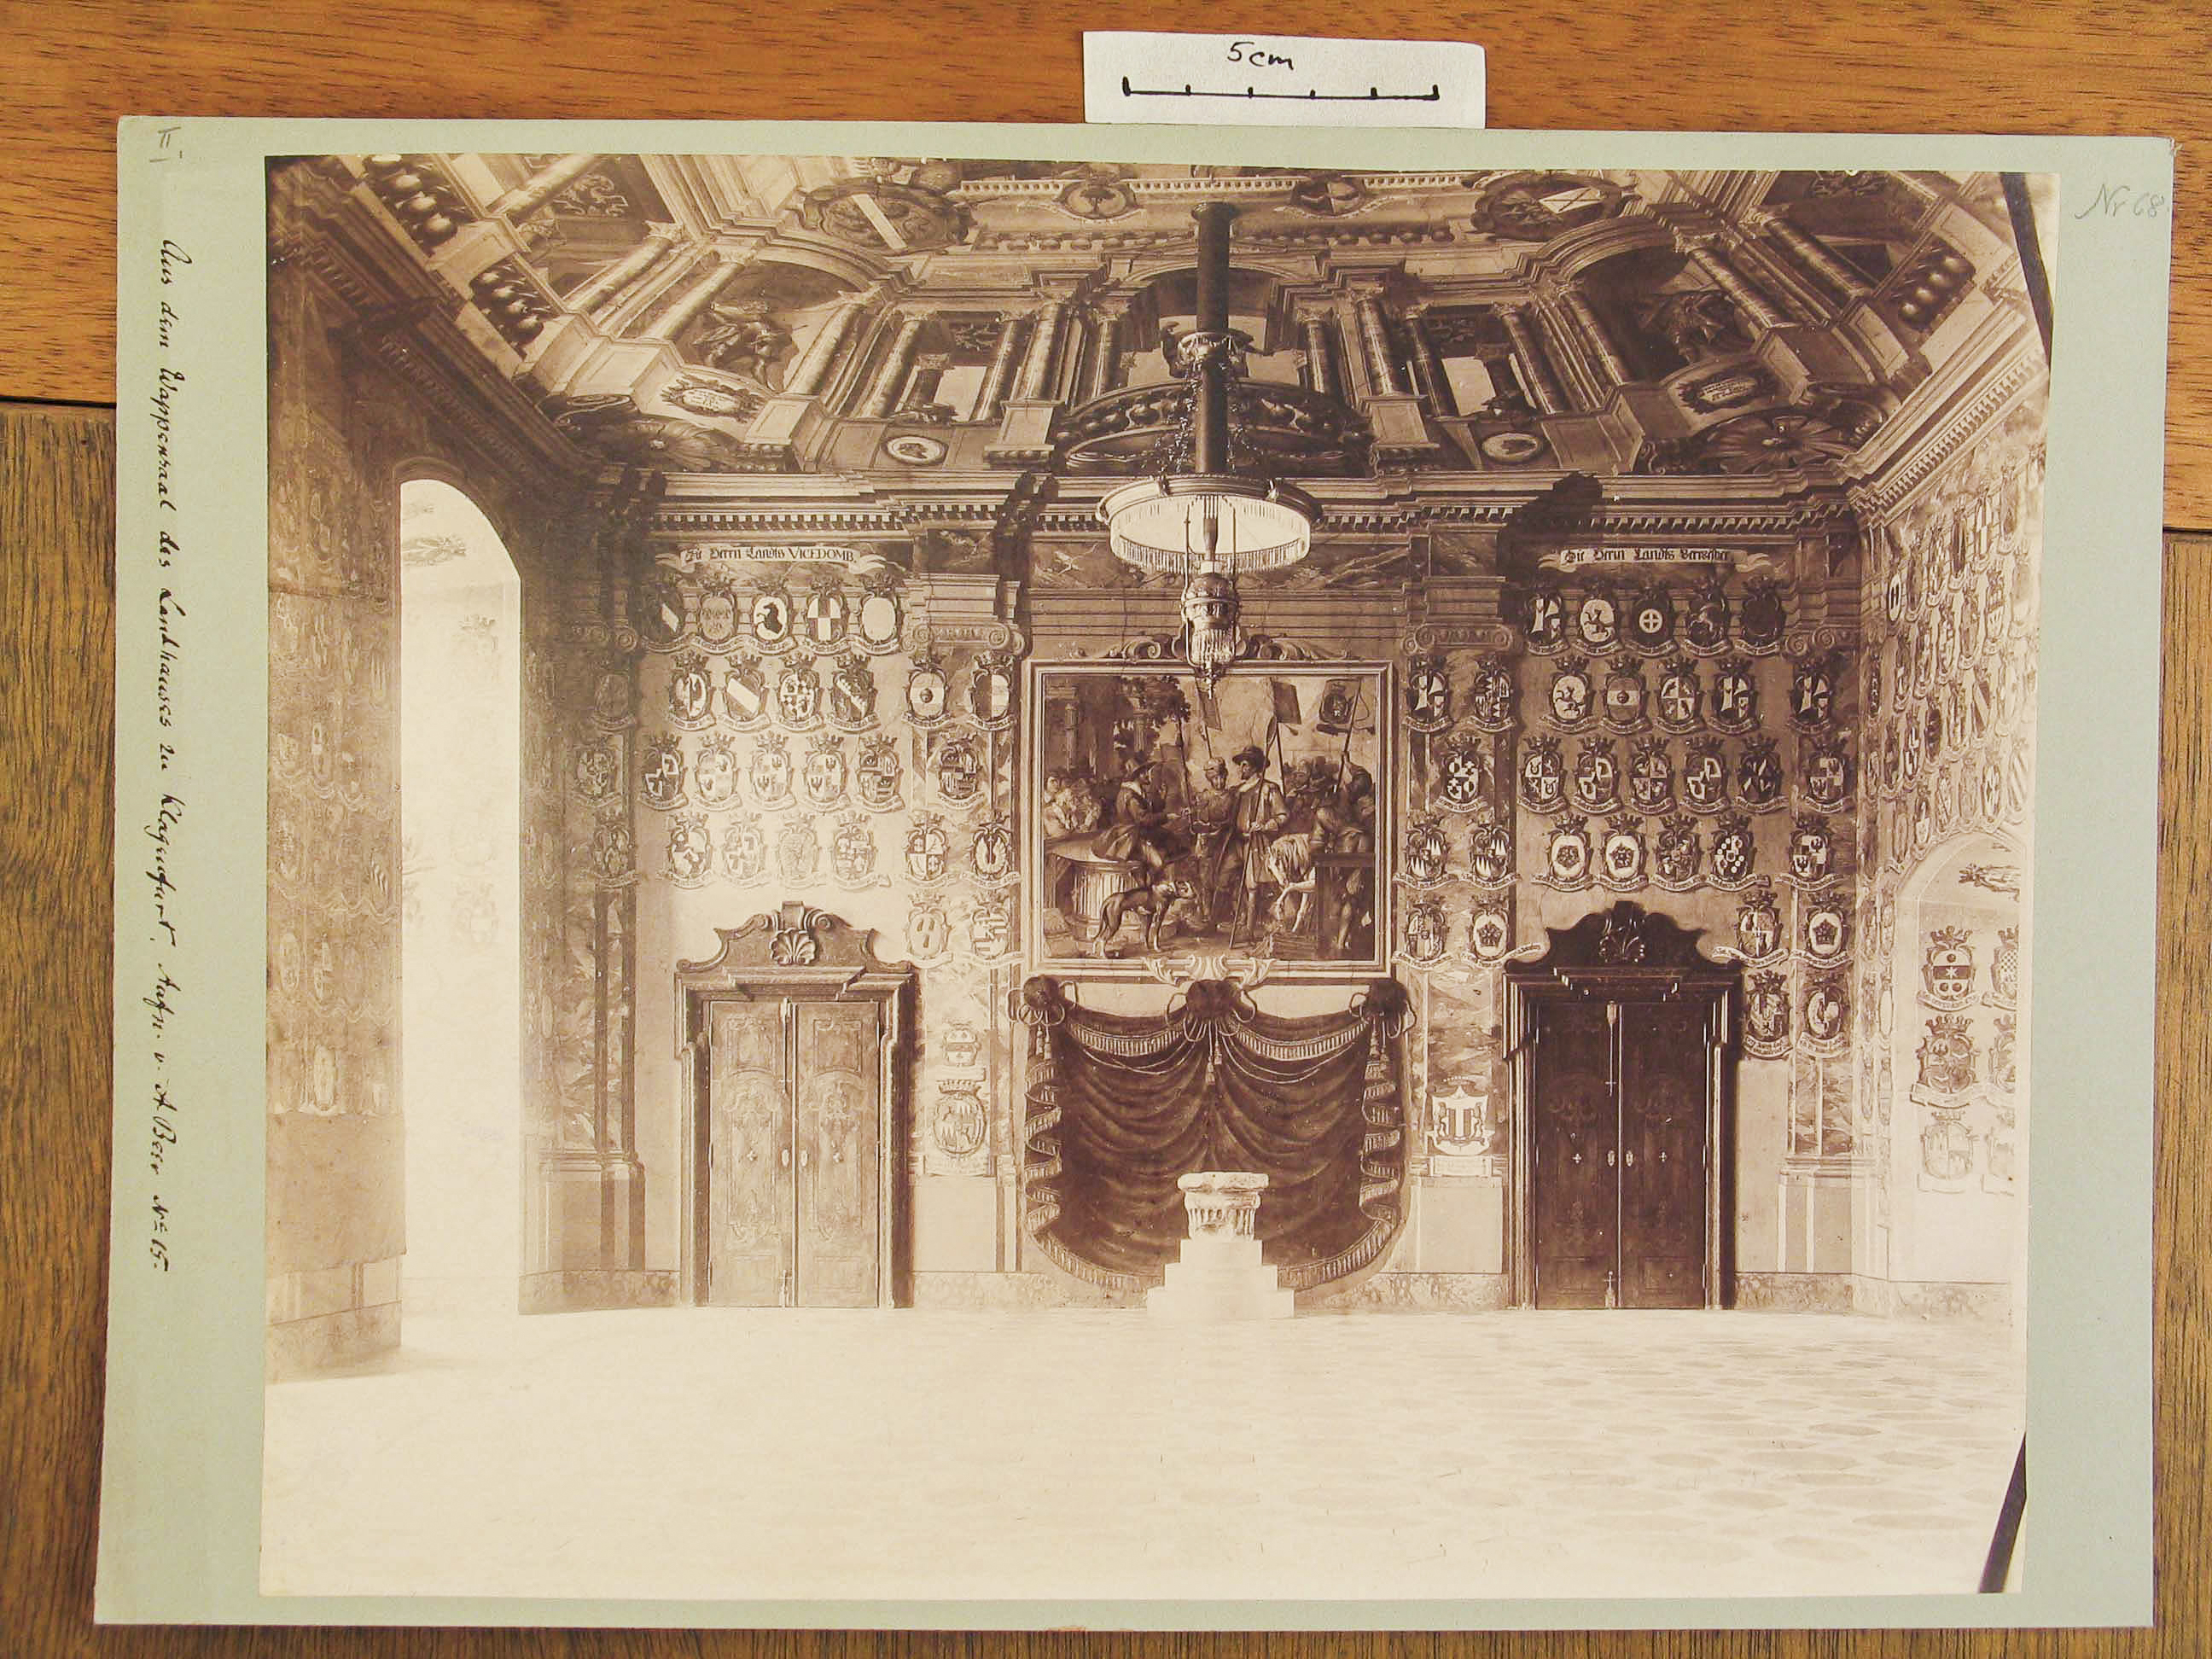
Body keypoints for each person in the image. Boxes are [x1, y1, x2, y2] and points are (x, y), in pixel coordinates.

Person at [1211, 746, 1290, 943]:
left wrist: (1265, 825)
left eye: (1244, 765)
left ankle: (1249, 929)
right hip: (1235, 842)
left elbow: (1283, 816)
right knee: (1223, 878)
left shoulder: (1268, 789)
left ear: (1254, 767)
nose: (1241, 769)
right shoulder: (1237, 791)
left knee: (1253, 886)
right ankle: (1225, 920)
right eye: (1240, 765)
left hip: (1256, 842)